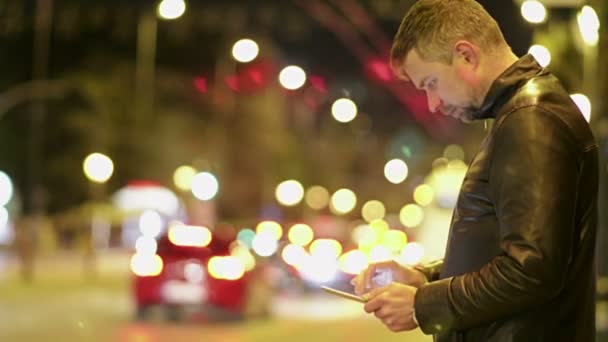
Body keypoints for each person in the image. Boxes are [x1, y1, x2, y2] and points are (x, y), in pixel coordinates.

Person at [351, 0, 599, 341]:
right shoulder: (522, 114)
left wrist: (423, 305)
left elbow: (531, 270)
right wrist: (425, 278)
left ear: (466, 54)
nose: (433, 103)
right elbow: (506, 253)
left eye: (431, 83)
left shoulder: (531, 120)